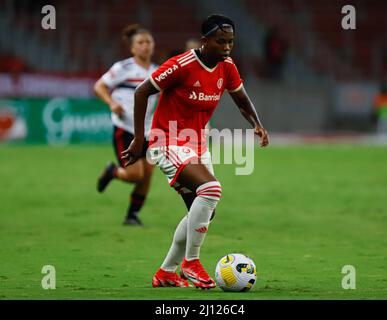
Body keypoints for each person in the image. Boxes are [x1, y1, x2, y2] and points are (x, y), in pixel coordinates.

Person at [122, 14, 269, 288]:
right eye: (221, 41)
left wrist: (257, 124)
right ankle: (191, 262)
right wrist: (139, 140)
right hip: (166, 141)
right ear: (205, 40)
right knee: (211, 189)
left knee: (203, 212)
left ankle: (166, 272)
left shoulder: (227, 66)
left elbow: (241, 98)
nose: (226, 47)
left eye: (231, 42)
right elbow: (141, 92)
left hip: (197, 144)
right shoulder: (182, 65)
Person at [94, 24, 158, 226]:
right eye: (141, 42)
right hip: (126, 128)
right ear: (132, 48)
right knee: (134, 174)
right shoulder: (123, 68)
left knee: (147, 175)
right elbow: (99, 86)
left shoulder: (157, 71)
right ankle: (111, 172)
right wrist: (111, 102)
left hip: (148, 130)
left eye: (148, 42)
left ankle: (132, 215)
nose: (145, 46)